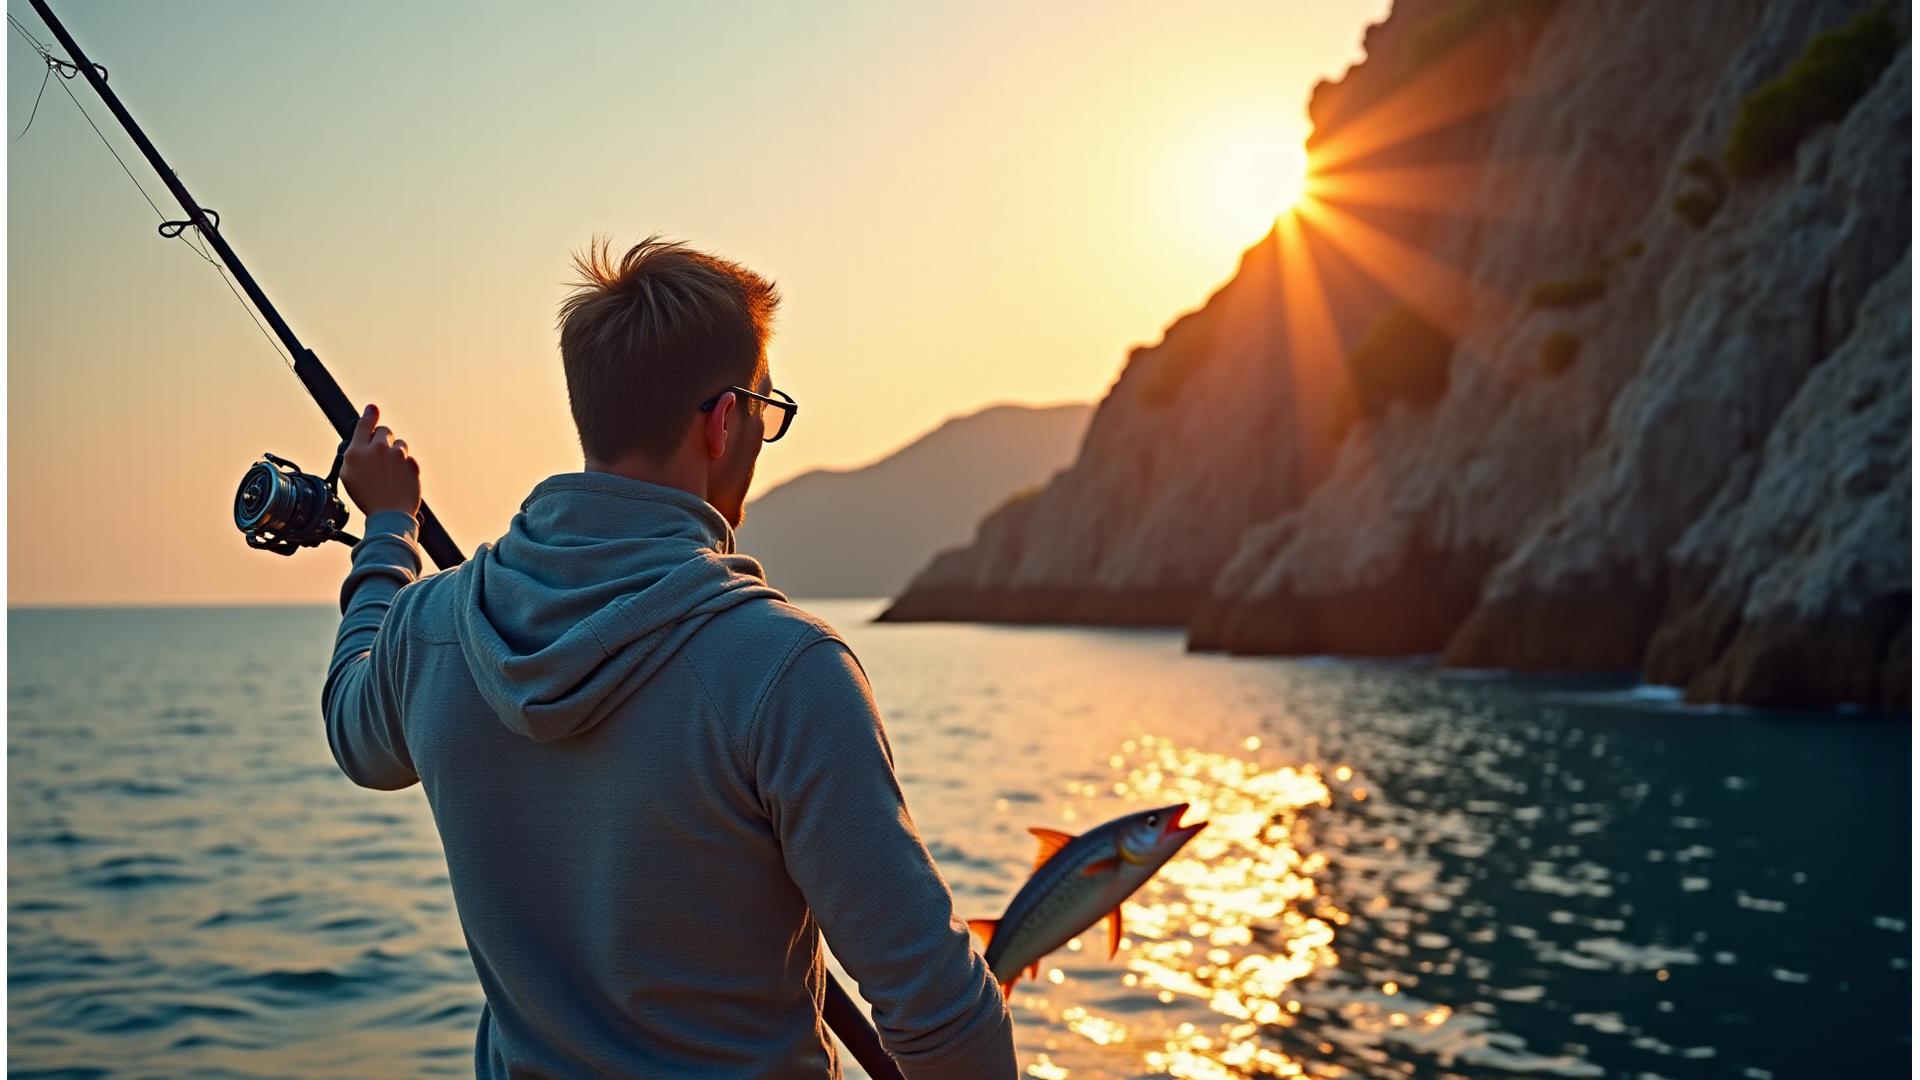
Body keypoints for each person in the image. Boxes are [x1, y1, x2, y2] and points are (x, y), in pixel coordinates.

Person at [321, 236, 1016, 1078]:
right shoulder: (786, 669)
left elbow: (355, 734)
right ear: (725, 420)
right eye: (767, 408)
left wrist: (390, 531)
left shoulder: (429, 630)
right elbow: (939, 1014)